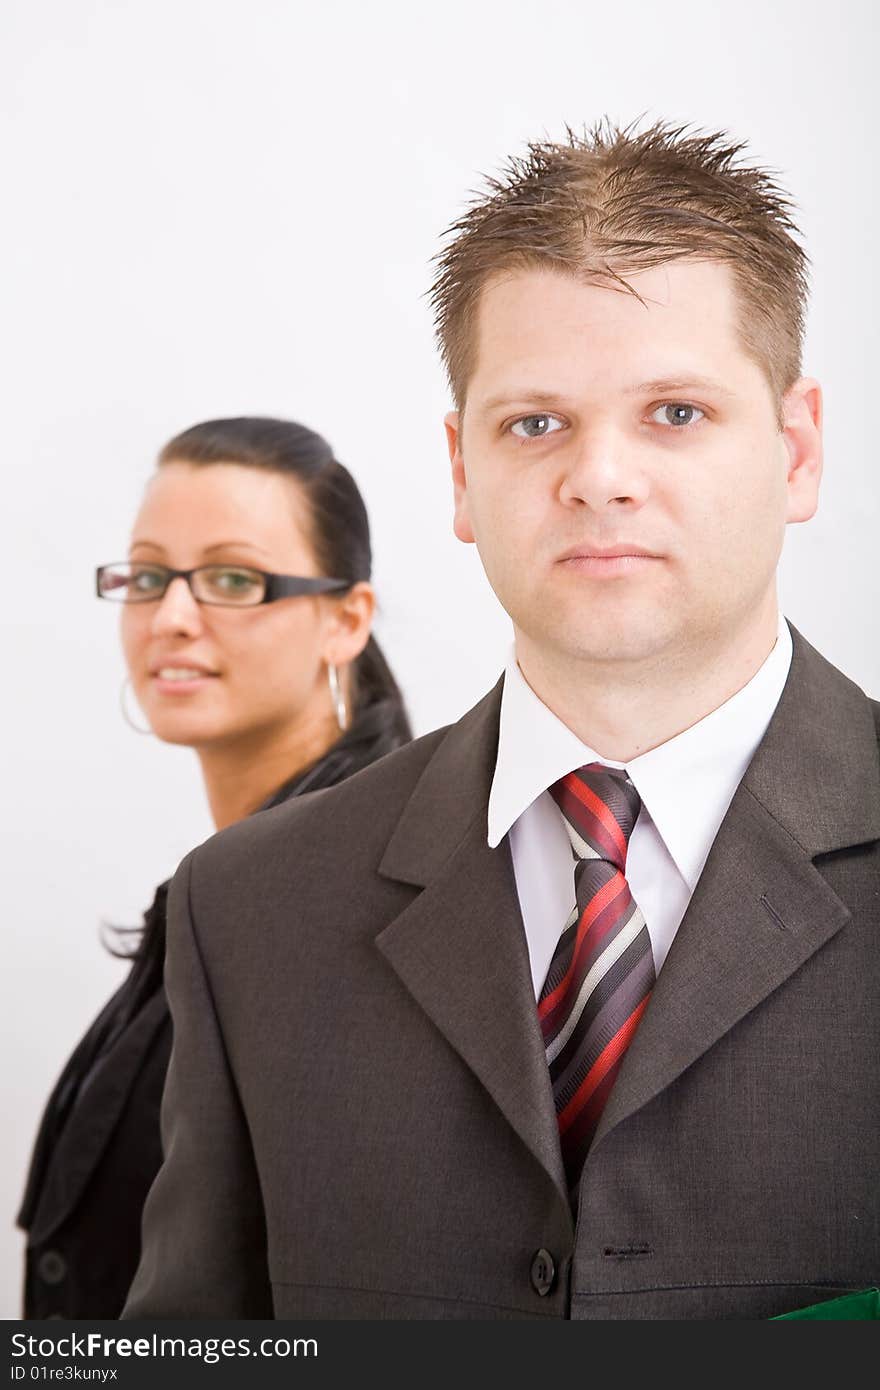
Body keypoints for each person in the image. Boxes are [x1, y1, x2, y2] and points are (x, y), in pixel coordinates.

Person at [124, 123, 879, 1322]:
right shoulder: (248, 907)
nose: (599, 478)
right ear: (462, 475)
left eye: (675, 412)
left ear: (795, 451)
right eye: (536, 424)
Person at [18, 416, 412, 1319]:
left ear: (346, 620)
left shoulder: (361, 902)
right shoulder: (230, 891)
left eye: (233, 580)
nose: (172, 618)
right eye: (149, 577)